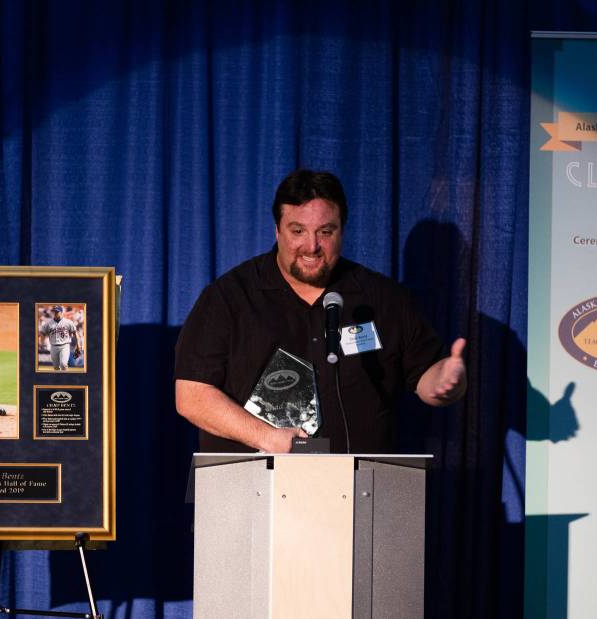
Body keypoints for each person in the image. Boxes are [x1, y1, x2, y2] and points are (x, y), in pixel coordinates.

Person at [174, 169, 466, 454]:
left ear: (342, 231)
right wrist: (266, 437)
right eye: (298, 231)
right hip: (254, 479)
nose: (312, 246)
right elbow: (191, 396)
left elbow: (428, 377)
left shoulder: (383, 299)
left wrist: (446, 381)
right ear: (277, 230)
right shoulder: (229, 298)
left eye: (325, 232)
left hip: (361, 481)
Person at [40, 305, 82, 370]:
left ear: (61, 312)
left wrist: (78, 345)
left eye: (57, 312)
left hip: (64, 346)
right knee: (56, 367)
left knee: (63, 364)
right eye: (54, 311)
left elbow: (75, 333)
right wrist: (42, 343)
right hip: (53, 347)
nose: (55, 313)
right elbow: (42, 333)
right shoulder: (48, 323)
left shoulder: (68, 322)